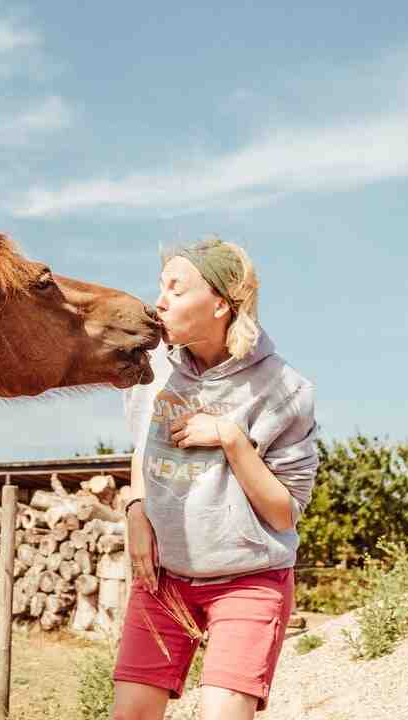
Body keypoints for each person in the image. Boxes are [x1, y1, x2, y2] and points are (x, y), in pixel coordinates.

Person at [112, 238, 319, 720]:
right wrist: (136, 508)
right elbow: (143, 447)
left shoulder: (285, 389)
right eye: (161, 286)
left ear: (221, 304)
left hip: (248, 579)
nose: (159, 301)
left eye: (176, 290)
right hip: (162, 579)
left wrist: (231, 438)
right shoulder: (156, 370)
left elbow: (284, 511)